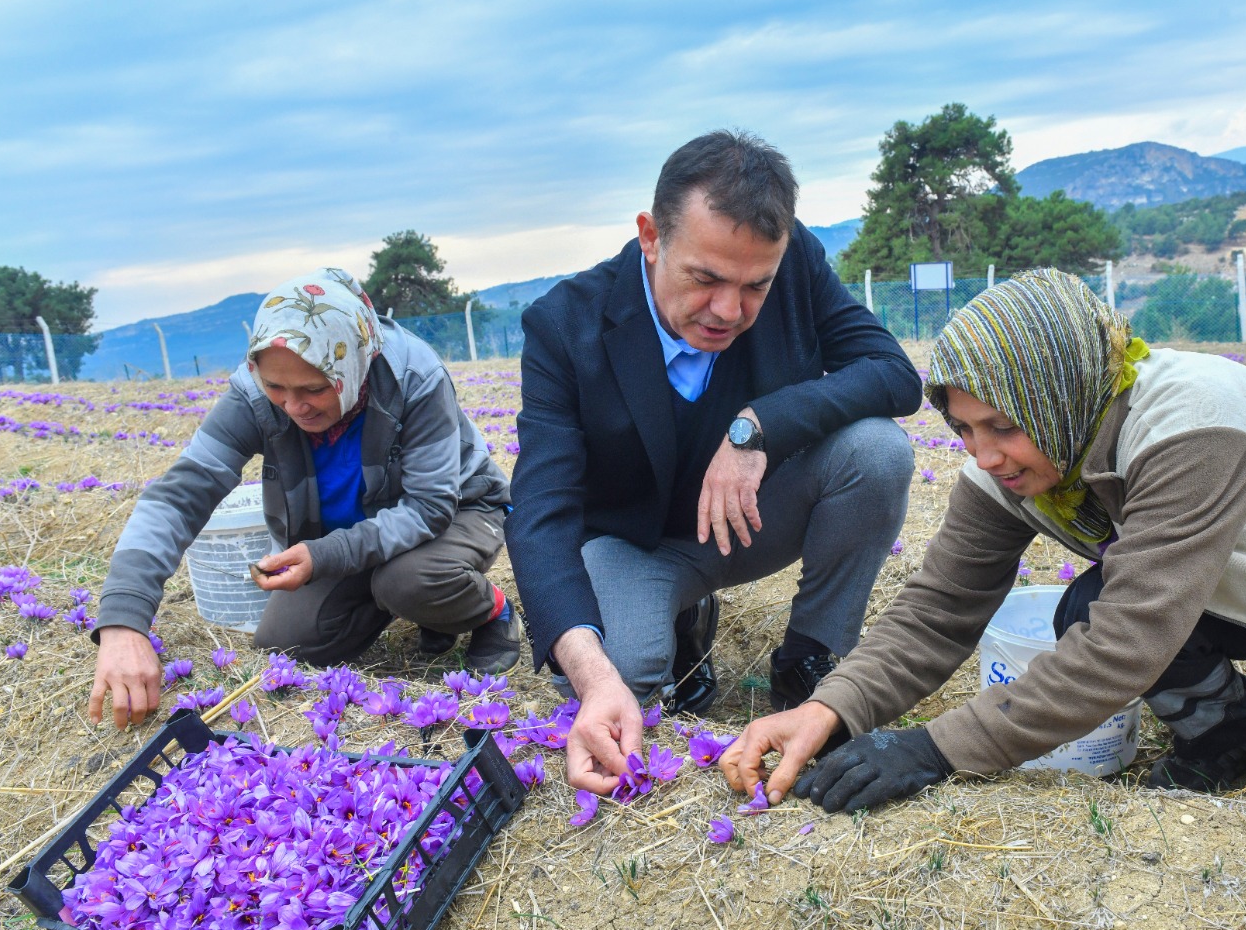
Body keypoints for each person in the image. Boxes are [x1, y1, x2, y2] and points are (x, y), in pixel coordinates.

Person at [723, 267, 1246, 811]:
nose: (983, 454)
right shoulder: (1016, 465)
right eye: (963, 429)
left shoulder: (1193, 423)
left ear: (1056, 392)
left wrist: (935, 750)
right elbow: (937, 610)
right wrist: (831, 711)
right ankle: (1230, 736)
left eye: (1003, 425)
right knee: (1082, 609)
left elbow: (1132, 637)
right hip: (1226, 577)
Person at [508, 130, 921, 796]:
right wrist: (593, 675)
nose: (729, 311)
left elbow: (893, 376)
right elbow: (540, 511)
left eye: (754, 285)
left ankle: (811, 656)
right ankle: (677, 625)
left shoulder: (795, 261)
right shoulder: (564, 326)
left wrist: (756, 428)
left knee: (877, 450)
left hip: (751, 518)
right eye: (705, 279)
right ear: (652, 236)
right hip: (636, 542)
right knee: (622, 683)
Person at [88, 268, 519, 729]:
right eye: (277, 388)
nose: (294, 407)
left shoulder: (413, 376)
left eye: (315, 389)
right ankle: (419, 604)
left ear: (353, 366)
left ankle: (488, 610)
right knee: (287, 645)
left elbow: (430, 508)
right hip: (350, 534)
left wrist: (328, 554)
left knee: (406, 580)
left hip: (459, 509)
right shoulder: (252, 396)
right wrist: (124, 620)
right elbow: (178, 497)